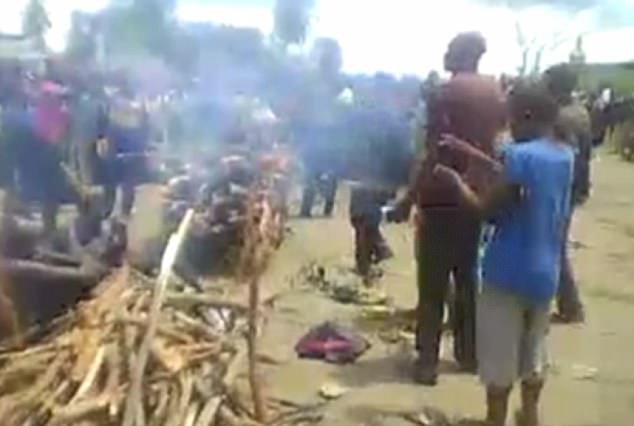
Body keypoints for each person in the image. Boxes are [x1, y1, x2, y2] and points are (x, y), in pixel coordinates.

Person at [435, 80, 573, 426]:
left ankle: (495, 420)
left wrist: (456, 183)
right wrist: (470, 152)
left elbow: (488, 210)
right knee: (534, 351)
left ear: (524, 116)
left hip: (507, 271)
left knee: (499, 359)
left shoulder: (519, 156)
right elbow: (523, 179)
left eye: (510, 118)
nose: (508, 126)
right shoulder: (563, 155)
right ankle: (529, 416)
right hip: (546, 271)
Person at [393, 32, 506, 385]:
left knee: (433, 281)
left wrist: (408, 198)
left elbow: (433, 152)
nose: (445, 54)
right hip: (475, 196)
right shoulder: (495, 92)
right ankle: (468, 353)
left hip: (441, 195)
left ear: (463, 54)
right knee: (467, 276)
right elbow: (495, 145)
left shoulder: (444, 93)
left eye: (449, 49)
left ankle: (428, 361)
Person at [545, 64, 589, 323]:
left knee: (555, 244)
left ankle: (571, 306)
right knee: (556, 243)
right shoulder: (579, 111)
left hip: (563, 187)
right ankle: (568, 304)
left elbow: (565, 156)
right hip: (573, 186)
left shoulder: (562, 117)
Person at [101, 85, 150, 220]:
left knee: (112, 184)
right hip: (133, 150)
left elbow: (109, 130)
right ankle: (124, 213)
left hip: (118, 150)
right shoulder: (138, 108)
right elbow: (144, 127)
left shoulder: (115, 105)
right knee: (128, 184)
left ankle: (109, 212)